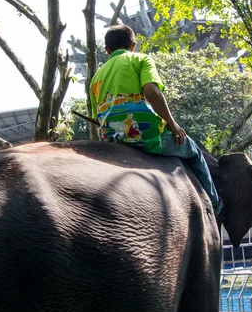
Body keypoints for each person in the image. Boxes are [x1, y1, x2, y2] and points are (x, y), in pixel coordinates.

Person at [89, 25, 223, 218]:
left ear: (107, 50)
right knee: (194, 152)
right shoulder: (140, 59)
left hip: (113, 141)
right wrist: (172, 124)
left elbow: (97, 117)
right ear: (132, 46)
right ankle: (215, 205)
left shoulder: (95, 78)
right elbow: (151, 91)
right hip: (147, 136)